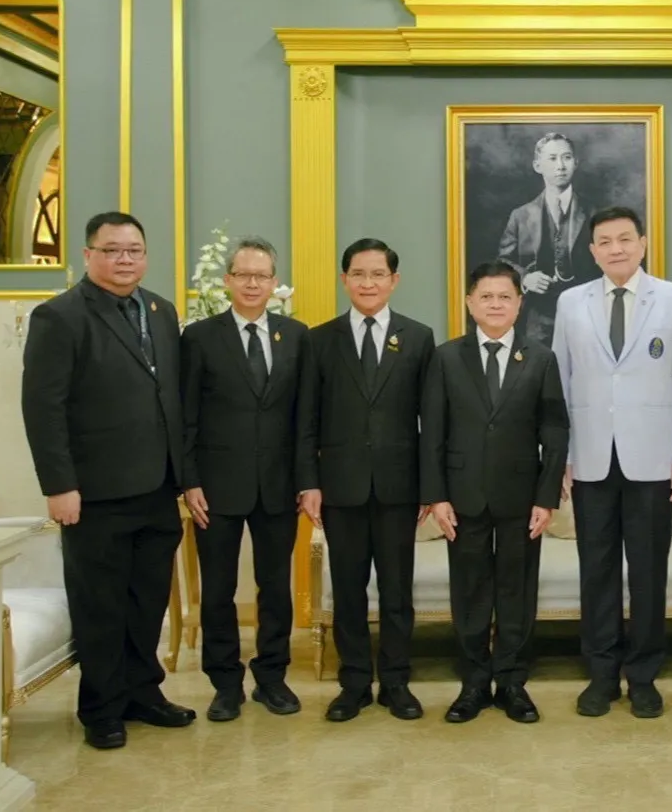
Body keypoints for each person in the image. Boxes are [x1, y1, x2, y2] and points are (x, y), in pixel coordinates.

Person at [21, 211, 194, 750]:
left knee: (147, 601)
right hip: (93, 492)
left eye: (134, 250)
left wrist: (184, 476)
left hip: (157, 486)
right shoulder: (60, 317)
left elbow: (170, 396)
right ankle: (101, 708)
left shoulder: (160, 311)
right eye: (112, 250)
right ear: (88, 255)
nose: (125, 259)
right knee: (100, 604)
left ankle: (143, 692)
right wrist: (59, 485)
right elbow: (43, 408)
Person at [552, 206, 672, 719]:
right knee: (595, 571)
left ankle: (643, 676)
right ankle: (600, 676)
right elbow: (560, 382)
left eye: (624, 239)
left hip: (654, 460)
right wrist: (563, 457)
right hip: (591, 458)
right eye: (604, 241)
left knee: (647, 571)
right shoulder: (571, 302)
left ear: (642, 243)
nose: (615, 249)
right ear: (592, 250)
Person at [420, 261, 569, 724]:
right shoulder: (446, 358)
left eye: (505, 296)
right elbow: (432, 432)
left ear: (520, 303)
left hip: (522, 497)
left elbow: (555, 431)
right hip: (462, 496)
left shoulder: (540, 358)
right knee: (469, 591)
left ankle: (512, 682)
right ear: (470, 303)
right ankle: (472, 683)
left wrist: (546, 497)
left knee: (516, 590)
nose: (496, 304)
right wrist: (436, 496)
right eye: (486, 296)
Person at [299, 238, 435, 723]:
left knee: (397, 592)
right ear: (344, 280)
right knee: (348, 590)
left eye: (378, 274)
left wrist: (430, 488)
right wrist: (309, 482)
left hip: (400, 488)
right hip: (341, 487)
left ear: (394, 281)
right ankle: (354, 683)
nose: (368, 283)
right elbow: (306, 420)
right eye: (358, 274)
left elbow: (431, 421)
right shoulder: (319, 339)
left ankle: (396, 681)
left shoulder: (418, 337)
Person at [179, 237, 312, 722]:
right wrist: (189, 480)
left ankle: (271, 677)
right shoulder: (199, 337)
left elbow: (305, 418)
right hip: (215, 487)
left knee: (275, 587)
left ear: (275, 283)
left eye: (262, 275)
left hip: (278, 484)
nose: (253, 283)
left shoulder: (296, 336)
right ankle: (225, 683)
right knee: (218, 588)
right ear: (228, 280)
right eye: (243, 275)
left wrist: (306, 480)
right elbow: (185, 417)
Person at [497, 132, 600, 346]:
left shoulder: (595, 213)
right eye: (552, 159)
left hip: (587, 314)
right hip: (537, 317)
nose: (560, 166)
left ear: (576, 163)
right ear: (538, 166)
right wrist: (525, 278)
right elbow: (503, 261)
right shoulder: (521, 216)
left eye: (566, 157)